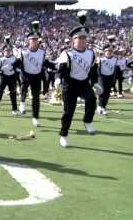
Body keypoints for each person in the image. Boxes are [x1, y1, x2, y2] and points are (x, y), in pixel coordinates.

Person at [56, 11, 100, 148]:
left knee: (92, 99)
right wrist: (59, 80)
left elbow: (93, 70)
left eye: (84, 38)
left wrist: (96, 83)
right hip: (70, 84)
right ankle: (63, 135)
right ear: (73, 40)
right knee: (69, 112)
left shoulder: (91, 53)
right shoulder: (67, 53)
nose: (82, 40)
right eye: (79, 38)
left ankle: (87, 121)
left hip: (83, 83)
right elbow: (62, 70)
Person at [18, 21, 57, 127]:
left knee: (36, 97)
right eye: (32, 40)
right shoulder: (23, 52)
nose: (34, 42)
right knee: (24, 88)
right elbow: (18, 62)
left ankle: (35, 117)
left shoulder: (42, 53)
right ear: (28, 41)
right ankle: (22, 104)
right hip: (26, 75)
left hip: (36, 76)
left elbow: (47, 63)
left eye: (36, 40)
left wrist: (57, 66)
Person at [0, 37, 20, 115]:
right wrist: (0, 69)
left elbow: (19, 66)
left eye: (9, 50)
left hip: (12, 77)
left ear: (11, 51)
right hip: (3, 77)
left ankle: (14, 109)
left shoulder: (14, 58)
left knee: (13, 93)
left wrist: (16, 69)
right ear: (3, 51)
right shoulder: (0, 59)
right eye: (6, 51)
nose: (7, 52)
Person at [96, 44, 117, 115]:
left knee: (107, 93)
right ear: (104, 52)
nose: (109, 52)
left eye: (110, 51)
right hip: (102, 77)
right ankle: (100, 106)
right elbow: (97, 69)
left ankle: (103, 107)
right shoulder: (101, 59)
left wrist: (114, 79)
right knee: (102, 91)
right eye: (107, 51)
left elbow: (115, 69)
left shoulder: (115, 59)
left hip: (110, 77)